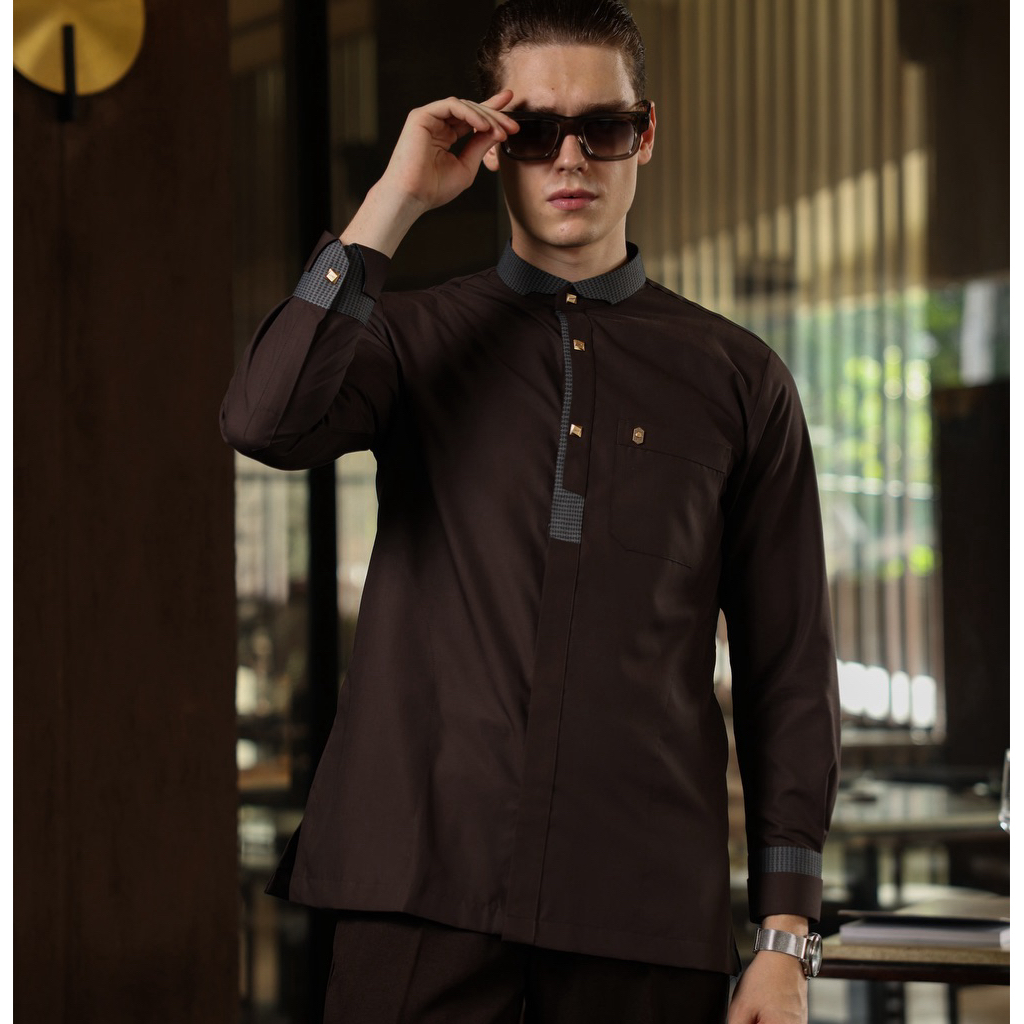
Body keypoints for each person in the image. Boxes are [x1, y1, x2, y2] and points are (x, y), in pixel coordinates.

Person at [221, 1, 841, 1021]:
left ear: (646, 134)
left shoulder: (739, 379)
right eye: (535, 130)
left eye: (603, 128)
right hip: (416, 897)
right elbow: (263, 420)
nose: (571, 158)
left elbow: (789, 672)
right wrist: (394, 199)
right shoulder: (409, 341)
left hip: (641, 914)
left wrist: (785, 936)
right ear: (493, 144)